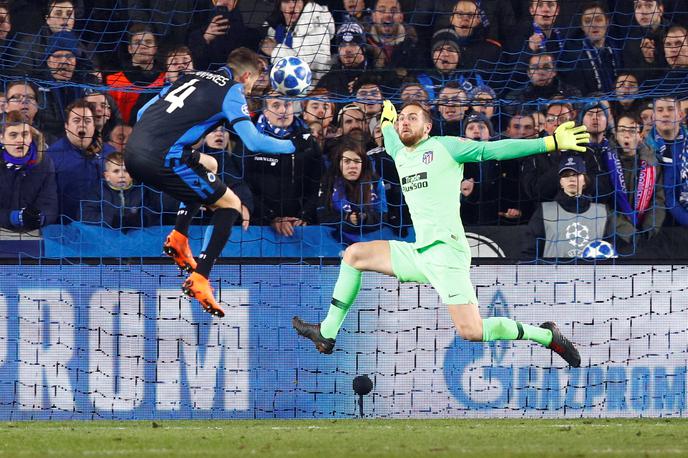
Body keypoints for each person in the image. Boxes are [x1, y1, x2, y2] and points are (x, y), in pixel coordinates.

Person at [292, 99, 590, 367]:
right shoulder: (400, 153)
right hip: (419, 251)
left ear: (428, 127)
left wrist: (549, 143)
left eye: (412, 117)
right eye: (402, 119)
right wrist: (386, 120)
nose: (404, 122)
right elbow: (391, 136)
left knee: (472, 331)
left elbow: (493, 150)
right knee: (354, 254)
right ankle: (327, 332)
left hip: (447, 252)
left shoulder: (446, 146)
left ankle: (546, 336)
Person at [124, 47, 299, 318]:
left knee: (211, 165)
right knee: (231, 204)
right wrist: (294, 145)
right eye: (253, 82)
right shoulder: (232, 91)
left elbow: (142, 113)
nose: (252, 89)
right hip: (161, 158)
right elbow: (253, 142)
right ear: (246, 76)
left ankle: (179, 235)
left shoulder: (189, 76)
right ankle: (201, 277)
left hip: (133, 150)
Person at [522, 154, 610, 260]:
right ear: (560, 182)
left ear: (585, 181)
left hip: (592, 275)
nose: (571, 179)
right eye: (566, 175)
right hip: (552, 275)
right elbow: (529, 253)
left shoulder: (602, 213)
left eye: (576, 174)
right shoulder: (544, 211)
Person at [48, 99, 115, 221]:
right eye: (76, 120)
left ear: (94, 126)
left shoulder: (110, 154)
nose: (82, 124)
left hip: (103, 226)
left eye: (87, 120)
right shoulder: (51, 156)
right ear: (66, 126)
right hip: (63, 227)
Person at [309, 138, 387, 243]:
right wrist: (346, 219)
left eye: (356, 161)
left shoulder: (375, 181)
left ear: (363, 163)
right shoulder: (329, 181)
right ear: (339, 163)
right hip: (333, 244)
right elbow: (322, 216)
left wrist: (365, 218)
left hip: (372, 243)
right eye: (347, 161)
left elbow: (384, 216)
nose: (352, 166)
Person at [606, 113, 665, 249]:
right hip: (613, 236)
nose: (626, 135)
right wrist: (627, 231)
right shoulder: (605, 160)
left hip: (645, 237)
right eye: (622, 130)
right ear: (615, 134)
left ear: (641, 135)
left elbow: (659, 200)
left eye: (632, 131)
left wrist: (649, 229)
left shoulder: (653, 163)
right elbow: (602, 205)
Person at [0, 110, 58, 231]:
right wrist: (13, 217)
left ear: (31, 137)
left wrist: (40, 217)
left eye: (25, 134)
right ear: (2, 138)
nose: (20, 140)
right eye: (13, 135)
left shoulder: (44, 163)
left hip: (33, 233)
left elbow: (50, 205)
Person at [81, 152, 158, 229]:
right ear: (107, 176)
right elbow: (84, 215)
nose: (121, 175)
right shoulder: (98, 191)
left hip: (135, 234)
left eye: (126, 171)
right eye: (116, 171)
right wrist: (113, 221)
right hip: (107, 234)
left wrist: (140, 220)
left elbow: (153, 213)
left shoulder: (141, 190)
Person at [645, 96, 688, 226]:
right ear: (653, 117)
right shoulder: (645, 149)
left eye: (670, 109)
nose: (665, 114)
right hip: (659, 224)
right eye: (660, 110)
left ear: (680, 115)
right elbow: (667, 198)